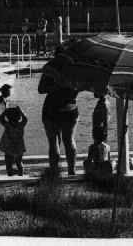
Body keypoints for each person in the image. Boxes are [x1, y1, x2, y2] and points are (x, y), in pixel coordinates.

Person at [39, 47, 80, 175]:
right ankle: (71, 171)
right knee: (69, 140)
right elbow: (81, 87)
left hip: (51, 109)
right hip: (70, 109)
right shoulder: (75, 69)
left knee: (53, 142)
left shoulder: (49, 69)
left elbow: (41, 89)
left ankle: (54, 172)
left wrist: (55, 86)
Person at [0, 106, 28, 176]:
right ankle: (21, 174)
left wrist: (5, 111)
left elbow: (1, 118)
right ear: (19, 117)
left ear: (8, 117)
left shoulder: (7, 125)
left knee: (8, 164)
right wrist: (21, 111)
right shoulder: (21, 125)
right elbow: (25, 119)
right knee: (19, 162)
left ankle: (11, 174)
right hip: (19, 147)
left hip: (9, 148)